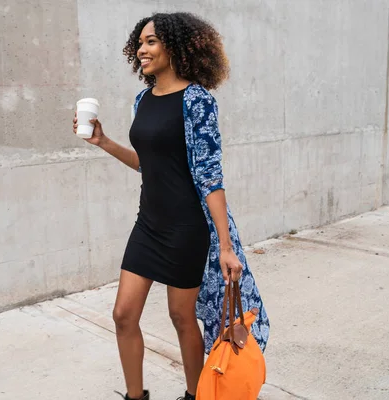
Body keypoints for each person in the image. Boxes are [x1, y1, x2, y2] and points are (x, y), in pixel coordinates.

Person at [72, 12, 269, 400]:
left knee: (182, 318)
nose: (141, 50)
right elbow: (150, 164)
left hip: (185, 229)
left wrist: (225, 247)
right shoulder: (143, 98)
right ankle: (135, 397)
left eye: (151, 42)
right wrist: (104, 142)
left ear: (175, 47)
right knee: (123, 315)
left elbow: (210, 175)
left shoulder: (198, 101)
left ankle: (197, 396)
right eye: (140, 43)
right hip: (148, 224)